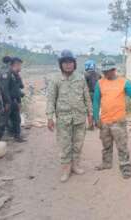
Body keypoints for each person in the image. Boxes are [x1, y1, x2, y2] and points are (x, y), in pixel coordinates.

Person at [46, 50, 93, 183]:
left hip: (79, 118)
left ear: (74, 64)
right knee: (65, 145)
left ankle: (75, 166)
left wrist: (90, 115)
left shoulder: (80, 78)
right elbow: (51, 99)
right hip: (63, 119)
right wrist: (50, 117)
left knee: (78, 144)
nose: (68, 65)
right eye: (65, 62)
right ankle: (66, 169)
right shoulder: (55, 80)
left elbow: (87, 98)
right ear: (61, 64)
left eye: (70, 62)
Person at [93, 58, 131, 179]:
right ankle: (107, 163)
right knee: (106, 144)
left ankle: (125, 167)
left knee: (122, 146)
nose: (106, 73)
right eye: (104, 71)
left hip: (118, 121)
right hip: (104, 121)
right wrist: (96, 118)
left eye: (109, 70)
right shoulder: (100, 83)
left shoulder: (124, 82)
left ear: (114, 69)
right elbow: (96, 101)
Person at [0, 57, 26, 142]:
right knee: (3, 121)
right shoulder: (6, 73)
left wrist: (19, 101)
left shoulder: (15, 74)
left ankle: (17, 136)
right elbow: (4, 90)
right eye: (20, 65)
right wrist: (7, 103)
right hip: (6, 102)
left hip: (14, 101)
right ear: (16, 64)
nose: (21, 67)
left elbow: (17, 89)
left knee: (17, 119)